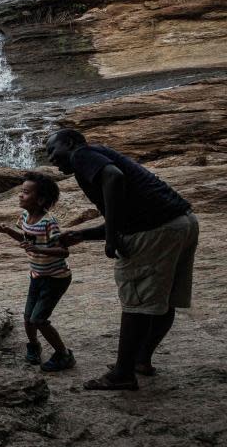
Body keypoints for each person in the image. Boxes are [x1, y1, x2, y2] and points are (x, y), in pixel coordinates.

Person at [46, 129, 199, 391]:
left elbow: (113, 179)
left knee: (136, 303)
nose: (51, 159)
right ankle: (140, 360)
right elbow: (127, 214)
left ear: (70, 143)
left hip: (155, 231)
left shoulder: (83, 154)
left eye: (53, 150)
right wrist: (83, 234)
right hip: (181, 222)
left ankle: (123, 374)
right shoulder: (102, 154)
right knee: (164, 300)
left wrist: (111, 239)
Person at [0, 172, 76, 372]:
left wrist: (41, 249)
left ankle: (64, 355)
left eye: (25, 192)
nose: (20, 196)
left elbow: (63, 251)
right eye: (21, 191)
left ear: (40, 200)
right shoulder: (25, 216)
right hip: (37, 275)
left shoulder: (49, 222)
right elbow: (27, 240)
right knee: (28, 316)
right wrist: (9, 232)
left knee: (38, 319)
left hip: (56, 278)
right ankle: (33, 346)